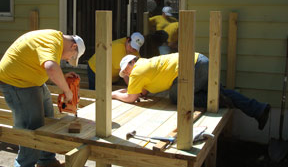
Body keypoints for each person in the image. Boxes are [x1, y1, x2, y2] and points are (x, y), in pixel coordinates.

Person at [0, 29, 85, 167]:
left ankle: (46, 159)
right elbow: (51, 68)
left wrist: (62, 77)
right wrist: (66, 90)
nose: (67, 59)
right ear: (73, 47)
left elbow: (44, 65)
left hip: (31, 81)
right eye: (70, 57)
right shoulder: (52, 42)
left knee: (48, 118)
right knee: (33, 127)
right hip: (17, 83)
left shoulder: (55, 40)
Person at [112, 53, 271, 131]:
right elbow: (142, 93)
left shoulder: (138, 71)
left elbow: (132, 98)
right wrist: (126, 89)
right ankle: (259, 109)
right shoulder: (145, 65)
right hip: (199, 62)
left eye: (125, 70)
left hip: (193, 67)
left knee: (176, 97)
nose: (126, 74)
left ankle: (221, 100)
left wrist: (113, 94)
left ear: (132, 62)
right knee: (220, 91)